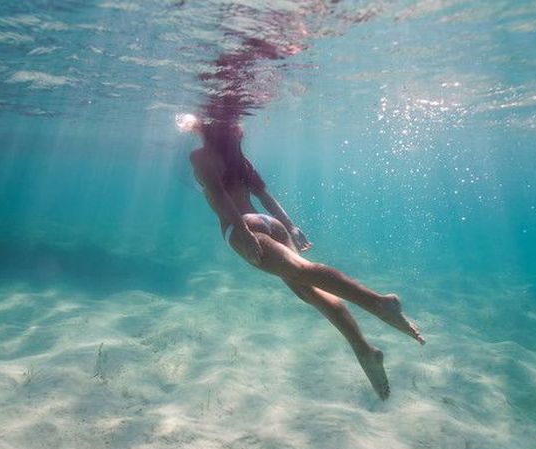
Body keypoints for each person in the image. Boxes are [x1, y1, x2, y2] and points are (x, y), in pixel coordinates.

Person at [180, 115, 425, 400]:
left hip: (239, 225)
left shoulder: (200, 156)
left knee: (302, 270)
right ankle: (365, 351)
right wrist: (291, 226)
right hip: (268, 222)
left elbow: (218, 195)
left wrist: (244, 232)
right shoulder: (240, 160)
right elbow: (266, 198)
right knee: (310, 290)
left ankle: (380, 303)